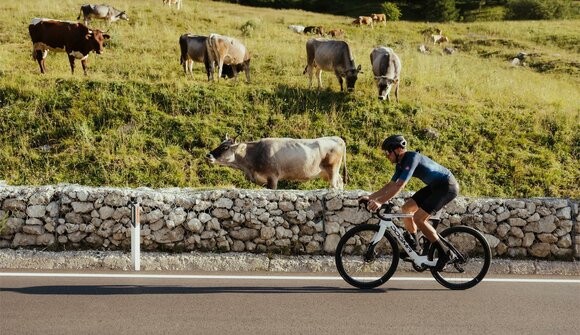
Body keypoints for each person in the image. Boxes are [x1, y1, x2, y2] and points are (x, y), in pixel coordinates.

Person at [359, 134, 460, 270]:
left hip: (447, 187)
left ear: (398, 150)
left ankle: (445, 254)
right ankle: (415, 246)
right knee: (406, 208)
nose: (386, 155)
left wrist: (380, 202)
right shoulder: (400, 164)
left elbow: (400, 185)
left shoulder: (411, 158)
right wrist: (370, 197)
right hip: (434, 187)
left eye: (388, 152)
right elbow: (390, 185)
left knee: (419, 219)